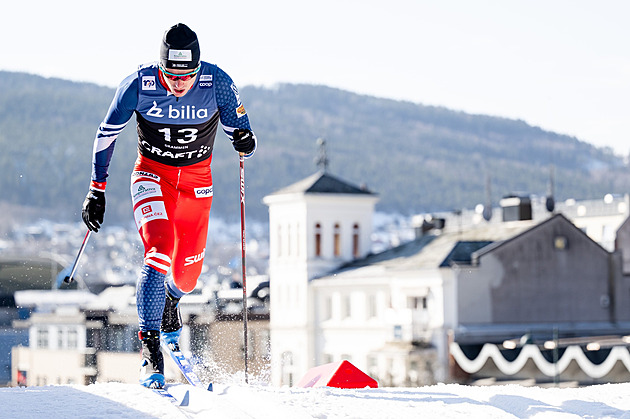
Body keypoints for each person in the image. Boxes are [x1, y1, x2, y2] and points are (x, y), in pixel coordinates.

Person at [81, 23, 257, 389]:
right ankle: (150, 351)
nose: (178, 84)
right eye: (171, 76)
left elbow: (240, 130)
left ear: (197, 68)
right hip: (151, 176)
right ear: (161, 67)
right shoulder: (139, 84)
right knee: (159, 251)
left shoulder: (217, 82)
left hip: (196, 185)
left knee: (187, 277)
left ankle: (169, 304)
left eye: (186, 76)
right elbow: (106, 134)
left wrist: (243, 139)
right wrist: (96, 190)